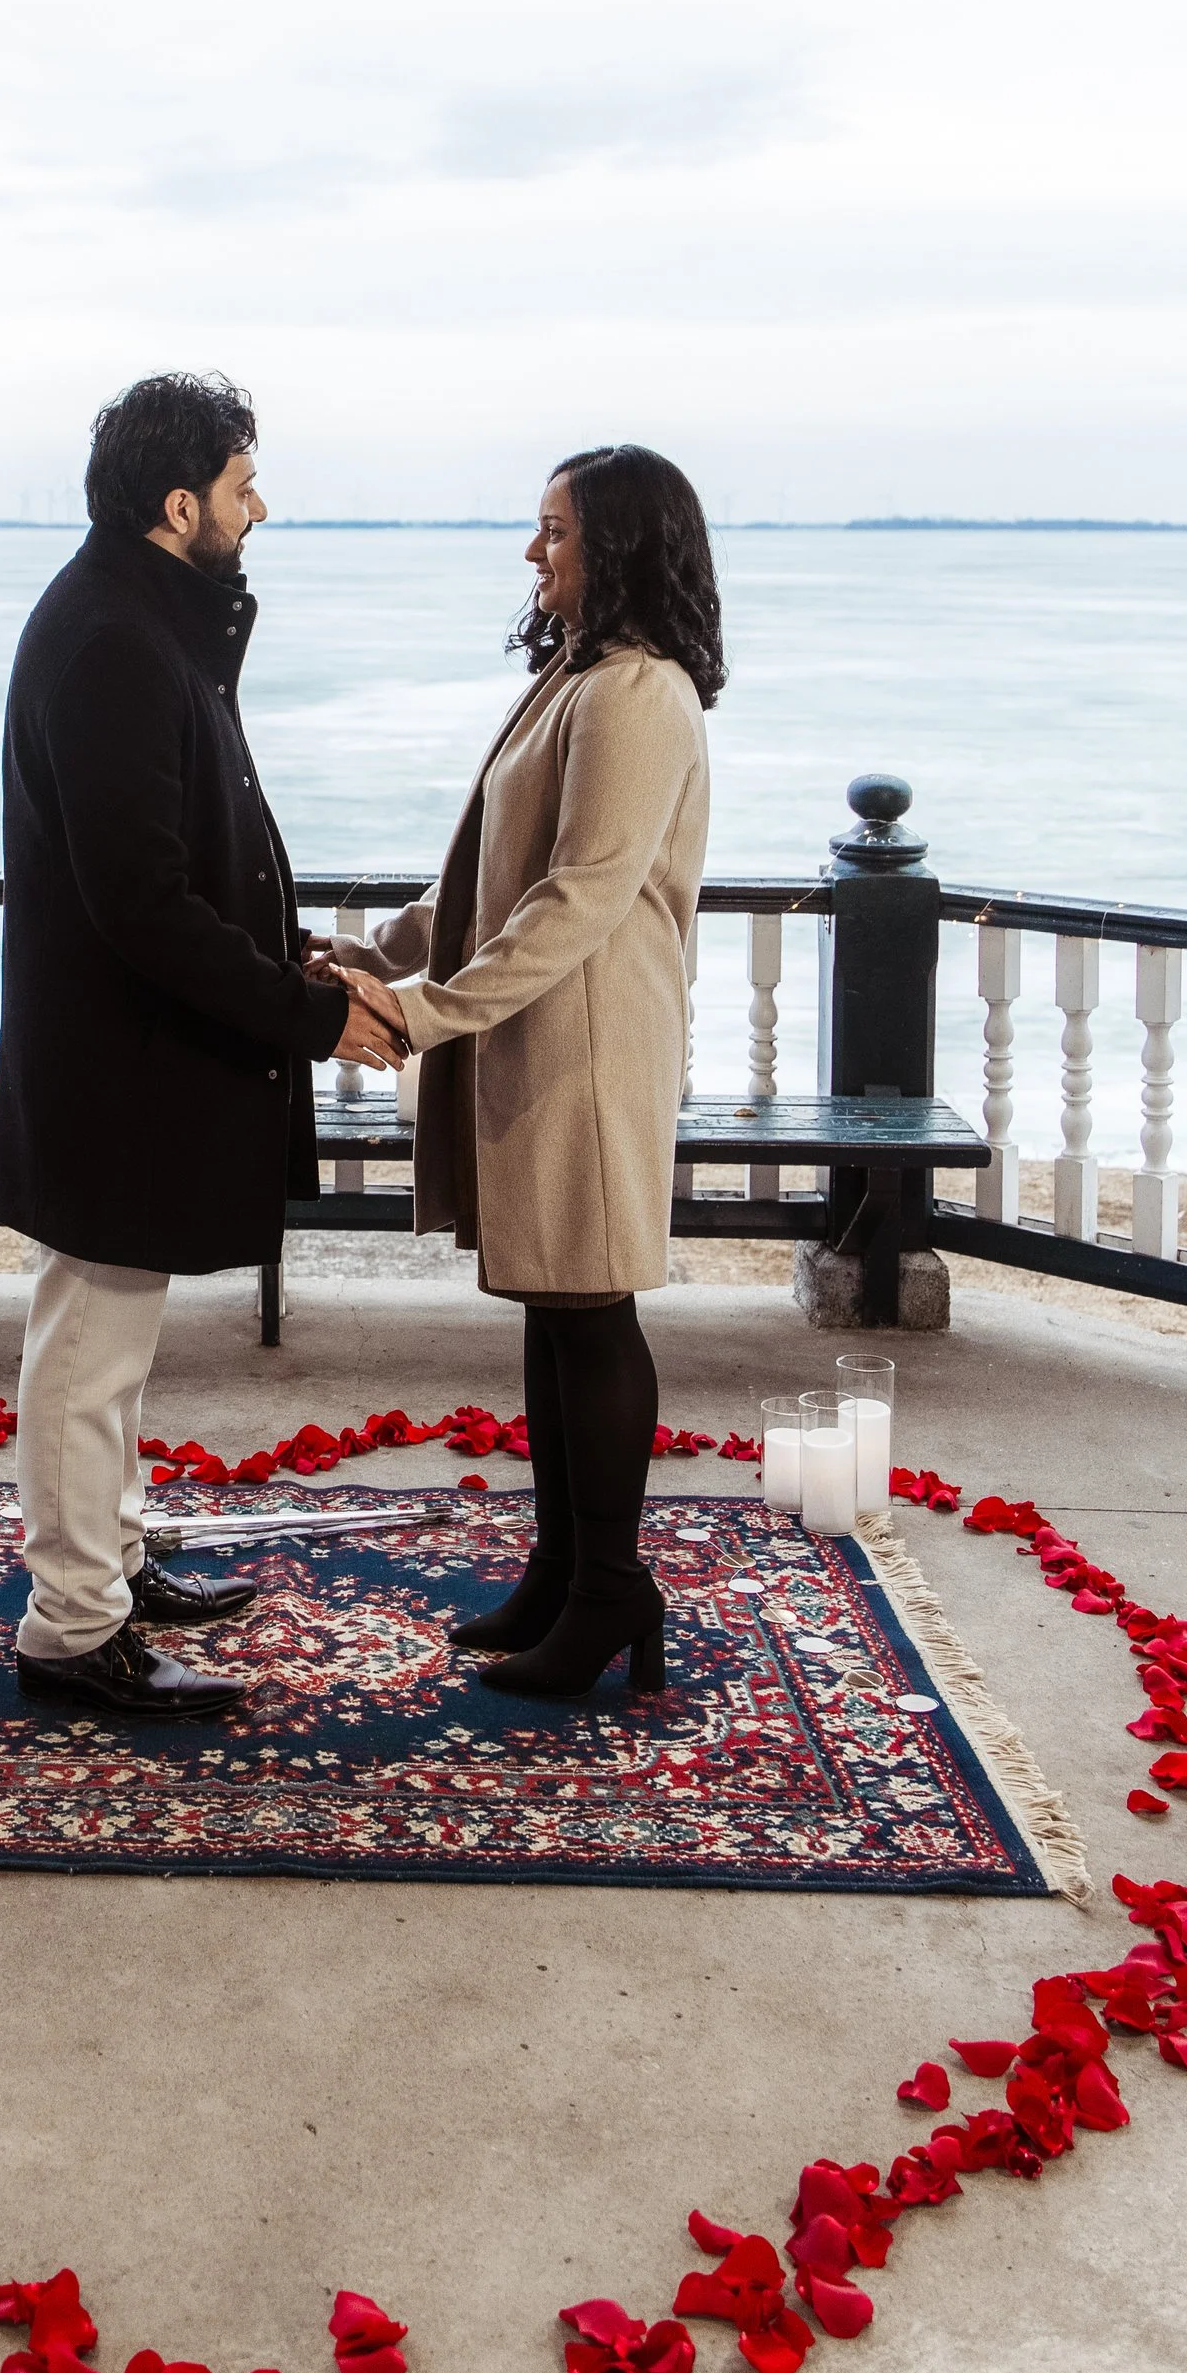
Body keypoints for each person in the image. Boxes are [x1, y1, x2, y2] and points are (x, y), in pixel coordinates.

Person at [0, 370, 403, 1723]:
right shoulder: (114, 637)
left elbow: (171, 861)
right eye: (241, 484)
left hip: (129, 1056)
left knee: (103, 1338)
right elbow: (143, 904)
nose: (258, 506)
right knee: (91, 1349)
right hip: (123, 1063)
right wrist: (308, 1012)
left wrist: (285, 958)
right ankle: (72, 1629)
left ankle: (106, 1563)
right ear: (182, 505)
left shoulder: (136, 614)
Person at [325, 447, 723, 1703]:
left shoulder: (639, 694)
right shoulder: (576, 675)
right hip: (542, 1037)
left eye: (553, 530)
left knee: (592, 1309)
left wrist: (427, 1011)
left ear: (618, 545)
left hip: (592, 1049)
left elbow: (578, 898)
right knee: (557, 1310)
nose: (532, 551)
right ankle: (566, 1567)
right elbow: (485, 878)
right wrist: (368, 953)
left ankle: (613, 1589)